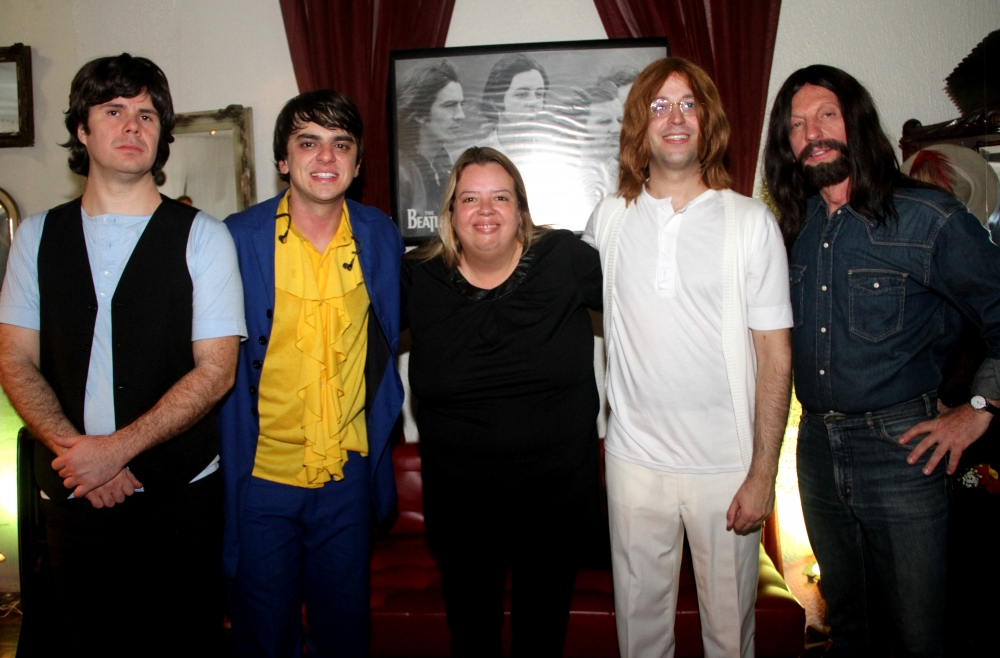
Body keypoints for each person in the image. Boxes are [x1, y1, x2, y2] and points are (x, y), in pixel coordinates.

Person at [0, 53, 245, 655]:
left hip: (179, 499)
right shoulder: (35, 236)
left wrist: (115, 451)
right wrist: (80, 457)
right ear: (81, 130)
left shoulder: (205, 237)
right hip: (72, 494)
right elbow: (14, 360)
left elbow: (217, 372)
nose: (133, 125)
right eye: (114, 110)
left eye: (147, 114)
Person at [763, 64, 1000, 658]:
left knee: (920, 636)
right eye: (797, 125)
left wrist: (978, 408)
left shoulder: (929, 218)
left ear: (857, 122)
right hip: (816, 451)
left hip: (904, 452)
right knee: (850, 628)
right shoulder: (792, 228)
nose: (812, 133)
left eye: (826, 116)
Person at [583, 57, 793, 658]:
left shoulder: (750, 223)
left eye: (688, 105)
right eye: (659, 106)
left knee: (730, 638)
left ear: (709, 121)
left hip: (726, 470)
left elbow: (776, 356)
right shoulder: (608, 219)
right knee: (640, 636)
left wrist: (762, 474)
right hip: (633, 465)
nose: (674, 118)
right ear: (639, 125)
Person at [219, 89, 404, 657]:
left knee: (345, 636)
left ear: (358, 162)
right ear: (283, 159)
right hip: (261, 479)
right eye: (308, 143)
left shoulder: (380, 234)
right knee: (264, 639)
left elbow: (390, 336)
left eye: (341, 144)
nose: (326, 157)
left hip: (347, 476)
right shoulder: (235, 237)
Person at [404, 146, 603, 657]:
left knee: (541, 639)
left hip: (556, 504)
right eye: (470, 198)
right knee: (472, 639)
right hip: (461, 509)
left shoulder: (565, 260)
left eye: (500, 197)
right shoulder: (417, 277)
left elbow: (650, 305)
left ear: (521, 211)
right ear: (451, 213)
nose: (485, 210)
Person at [397, 59, 466, 234]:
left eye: (461, 105)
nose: (461, 115)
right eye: (450, 105)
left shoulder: (449, 166)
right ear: (420, 113)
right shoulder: (402, 173)